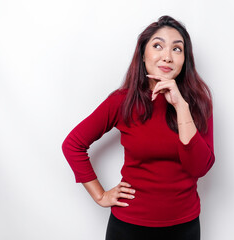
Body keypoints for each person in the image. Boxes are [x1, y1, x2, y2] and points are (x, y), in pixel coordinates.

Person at [62, 15, 215, 240]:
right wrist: (100, 196)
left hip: (184, 226)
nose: (167, 56)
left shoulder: (198, 103)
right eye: (158, 46)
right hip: (129, 226)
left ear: (185, 60)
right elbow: (73, 145)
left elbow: (199, 167)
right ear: (143, 55)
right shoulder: (123, 101)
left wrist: (181, 107)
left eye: (177, 49)